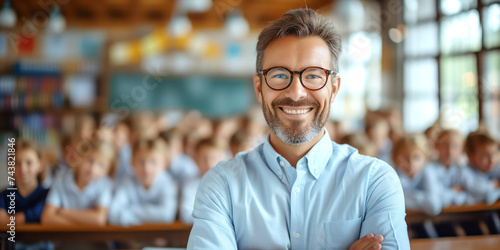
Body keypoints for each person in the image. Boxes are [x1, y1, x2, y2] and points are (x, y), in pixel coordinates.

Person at [187, 9, 409, 249]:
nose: (296, 92)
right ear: (259, 89)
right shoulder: (222, 185)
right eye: (280, 75)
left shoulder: (374, 181)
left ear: (333, 89)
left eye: (313, 75)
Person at [41, 140, 115, 226]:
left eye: (101, 165)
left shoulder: (105, 184)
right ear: (79, 157)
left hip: (90, 239)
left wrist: (63, 212)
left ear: (108, 170)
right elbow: (47, 218)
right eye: (90, 161)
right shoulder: (60, 180)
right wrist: (81, 226)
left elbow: (99, 219)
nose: (93, 169)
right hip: (64, 238)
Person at [108, 138, 178, 226]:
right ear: (132, 162)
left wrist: (129, 211)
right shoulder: (127, 182)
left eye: (153, 162)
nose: (147, 168)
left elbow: (167, 215)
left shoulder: (168, 183)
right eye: (141, 162)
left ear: (164, 164)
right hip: (131, 237)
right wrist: (150, 220)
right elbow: (113, 214)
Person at [179, 139, 227, 224]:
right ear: (196, 160)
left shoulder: (228, 184)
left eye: (213, 158)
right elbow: (186, 215)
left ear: (221, 159)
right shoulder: (190, 185)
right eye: (204, 158)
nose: (209, 163)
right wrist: (212, 219)